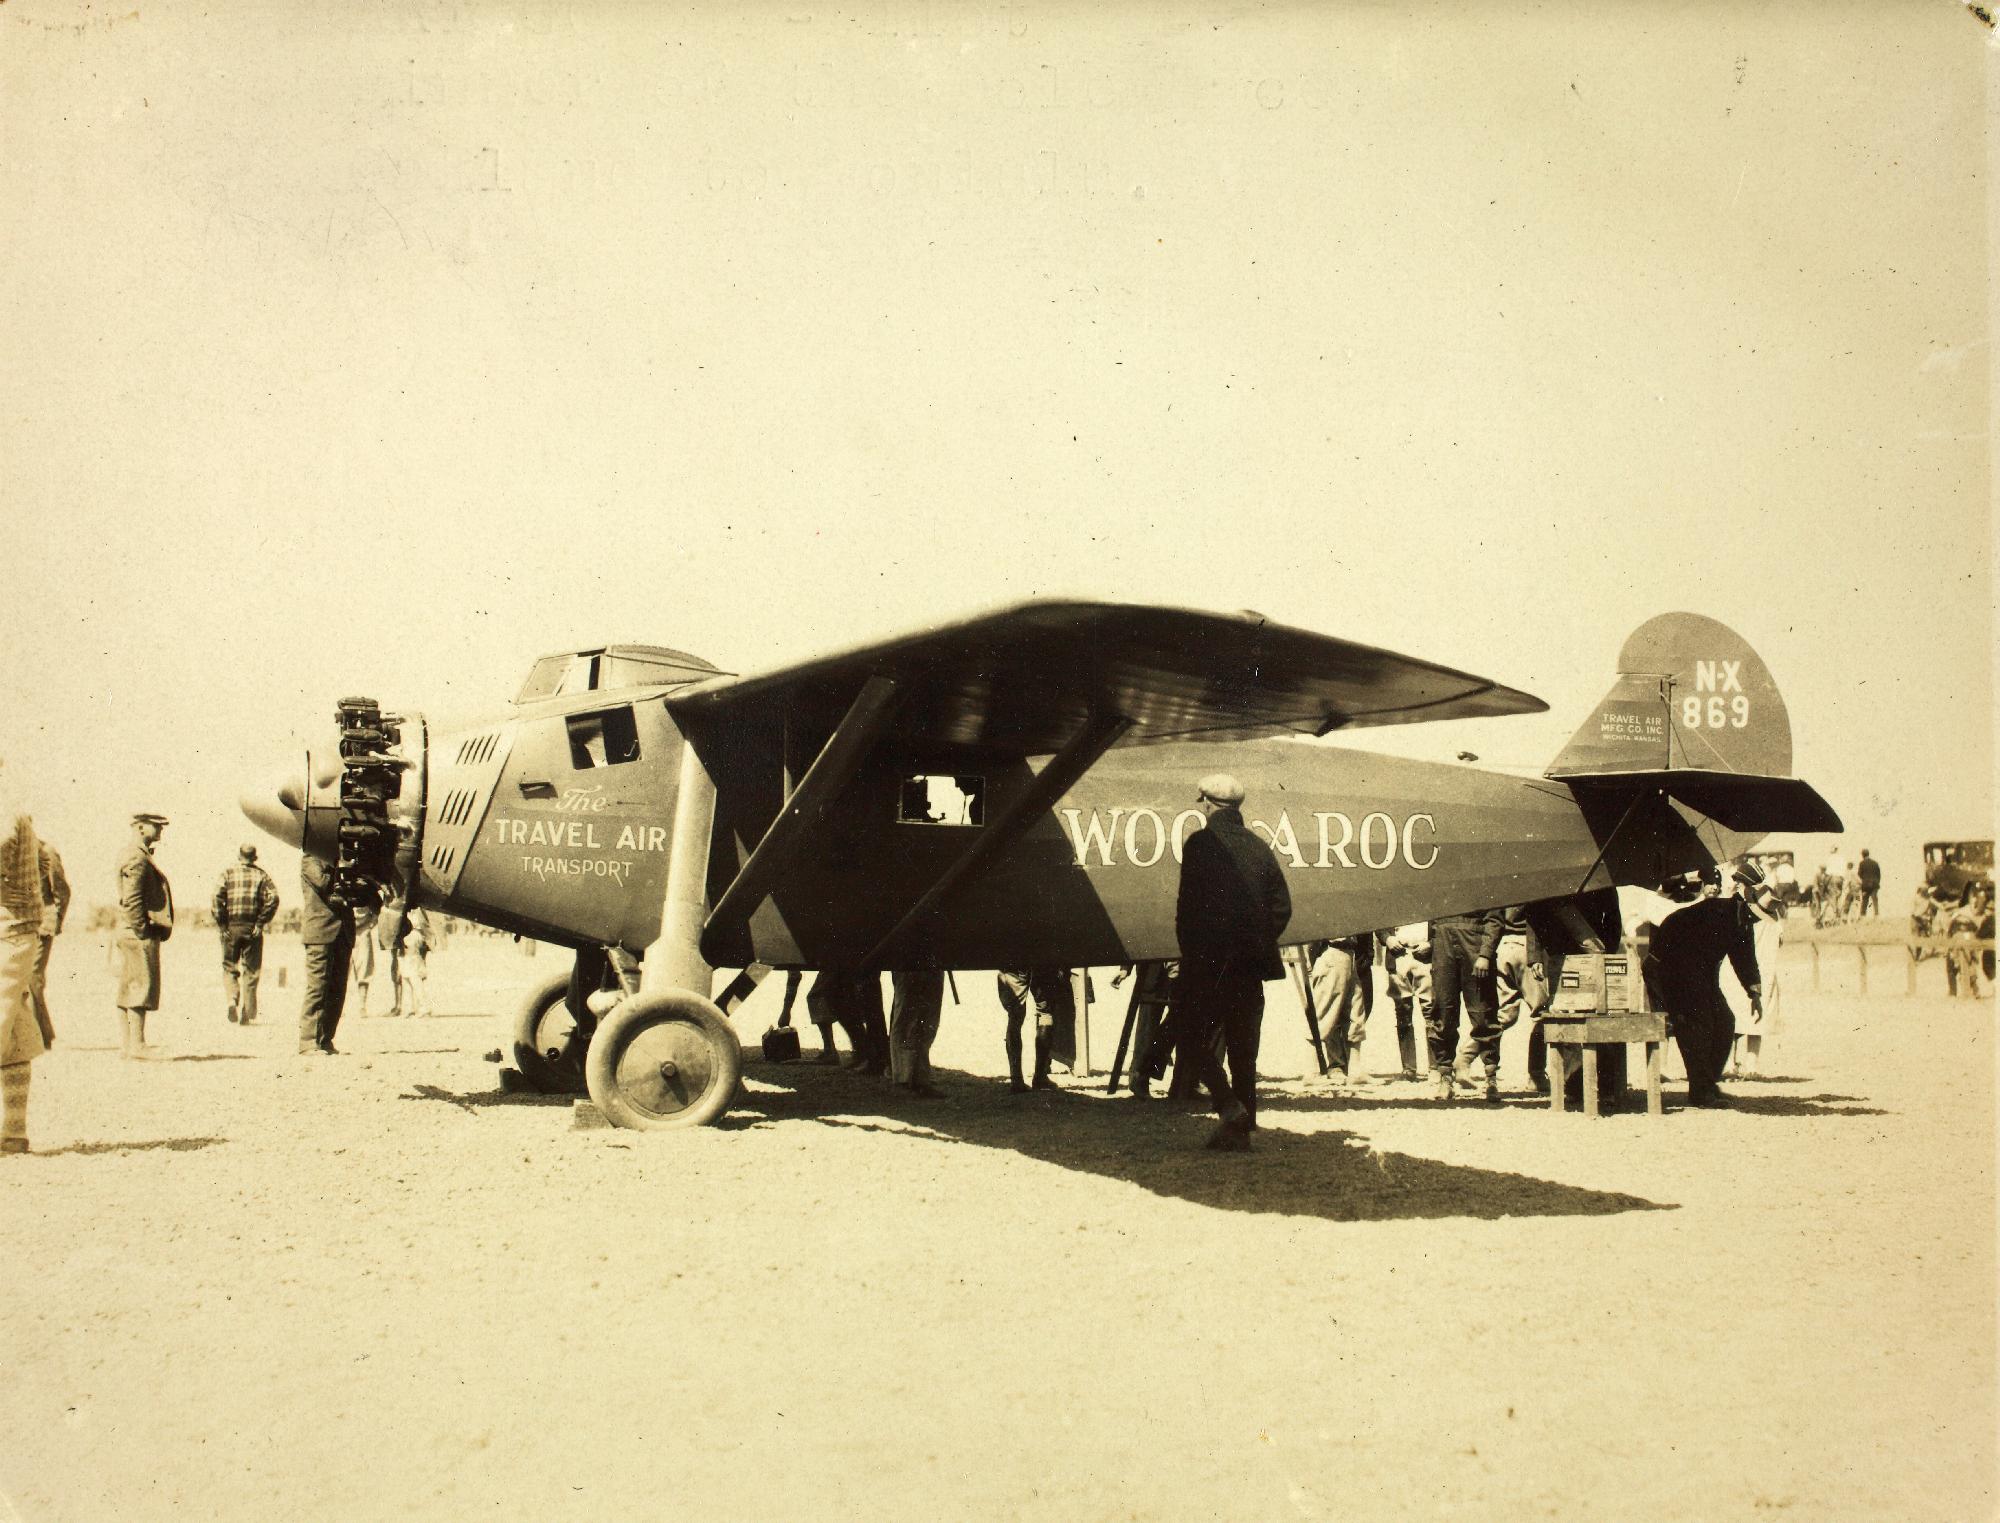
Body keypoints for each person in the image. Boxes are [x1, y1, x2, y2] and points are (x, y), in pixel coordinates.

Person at [1173, 772, 1292, 1151]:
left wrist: (1193, 955)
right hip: (1250, 967)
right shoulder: (1260, 847)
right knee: (1244, 1050)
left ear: (1207, 803)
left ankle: (1226, 1104)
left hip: (1209, 963)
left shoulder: (1200, 843)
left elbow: (1187, 909)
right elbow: (1281, 908)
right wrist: (1255, 943)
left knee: (1189, 1036)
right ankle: (1241, 1132)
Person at [1643, 866, 1761, 1107]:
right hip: (1671, 971)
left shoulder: (1743, 921)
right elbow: (1668, 935)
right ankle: (1700, 1092)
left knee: (1726, 1022)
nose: (1755, 919)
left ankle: (1708, 1084)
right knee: (1698, 1026)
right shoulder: (1713, 912)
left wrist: (1754, 993)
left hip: (1701, 977)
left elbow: (1745, 959)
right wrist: (1660, 997)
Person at [1, 769, 51, 1155]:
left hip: (9, 931)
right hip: (13, 929)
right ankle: (14, 1133)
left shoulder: (5, 809)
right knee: (15, 1035)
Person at [1427, 905, 1504, 1103]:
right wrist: (1432, 944)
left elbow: (1495, 919)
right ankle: (1445, 1076)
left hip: (1474, 945)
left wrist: (1486, 954)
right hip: (1443, 946)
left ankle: (1491, 1079)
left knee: (1483, 1015)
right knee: (1443, 1013)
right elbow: (1432, 919)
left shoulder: (1484, 877)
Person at [115, 812, 174, 1059]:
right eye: (156, 826)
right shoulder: (137, 857)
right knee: (140, 986)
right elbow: (132, 898)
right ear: (140, 827)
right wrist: (141, 929)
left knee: (130, 986)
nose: (161, 830)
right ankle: (137, 1045)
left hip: (129, 930)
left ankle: (129, 1046)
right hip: (137, 931)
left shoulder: (133, 853)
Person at [1726, 865, 1784, 1077]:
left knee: (1734, 1017)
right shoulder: (1774, 916)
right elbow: (1780, 941)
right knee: (1757, 1019)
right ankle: (1752, 1065)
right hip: (1765, 972)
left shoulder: (1741, 912)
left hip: (1738, 971)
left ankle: (1730, 1064)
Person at [213, 844, 279, 1025]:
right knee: (251, 970)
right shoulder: (262, 875)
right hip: (252, 928)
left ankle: (231, 1000)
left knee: (229, 967)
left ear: (239, 856)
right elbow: (273, 898)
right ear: (254, 857)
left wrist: (222, 924)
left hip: (231, 927)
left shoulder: (227, 873)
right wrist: (261, 922)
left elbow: (216, 898)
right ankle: (246, 1011)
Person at [298, 855, 355, 1054]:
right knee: (318, 987)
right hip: (320, 932)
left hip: (342, 933)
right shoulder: (311, 860)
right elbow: (325, 883)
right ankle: (308, 1042)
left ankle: (325, 1039)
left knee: (337, 990)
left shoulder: (339, 861)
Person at [1307, 931, 1374, 1085]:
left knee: (1355, 1014)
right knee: (1323, 1015)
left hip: (1350, 954)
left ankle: (1355, 1070)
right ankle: (1313, 1071)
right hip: (1332, 953)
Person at [997, 968, 1072, 1093]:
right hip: (1041, 959)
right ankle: (1040, 1077)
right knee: (1046, 1014)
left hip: (1014, 960)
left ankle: (1016, 1080)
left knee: (1015, 1017)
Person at [31, 838, 69, 1048]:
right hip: (25, 925)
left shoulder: (47, 852)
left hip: (42, 926)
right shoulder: (21, 852)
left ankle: (41, 1037)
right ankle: (42, 1035)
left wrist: (53, 922)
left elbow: (62, 892)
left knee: (33, 978)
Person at [1381, 923, 1430, 1082]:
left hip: (1424, 957)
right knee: (1403, 1013)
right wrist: (1387, 938)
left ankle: (1436, 1068)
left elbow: (1439, 924)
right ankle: (1409, 1068)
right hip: (1398, 956)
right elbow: (1378, 918)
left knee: (1431, 1011)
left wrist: (1430, 943)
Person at [889, 968, 946, 1098]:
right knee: (906, 1018)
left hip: (933, 961)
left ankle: (921, 1079)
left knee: (929, 1020)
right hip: (907, 961)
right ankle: (902, 1079)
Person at [398, 904, 437, 1018]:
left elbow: (418, 922)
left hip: (411, 935)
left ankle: (424, 1007)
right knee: (406, 975)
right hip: (408, 935)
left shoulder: (413, 905)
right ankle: (410, 1008)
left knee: (413, 975)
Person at [1855, 849, 1881, 917]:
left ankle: (1863, 915)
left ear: (1863, 855)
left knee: (1865, 900)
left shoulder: (1862, 863)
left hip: (1866, 885)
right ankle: (1876, 914)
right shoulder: (1875, 863)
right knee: (1874, 899)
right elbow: (1878, 874)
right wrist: (1877, 882)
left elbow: (1859, 874)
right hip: (1875, 884)